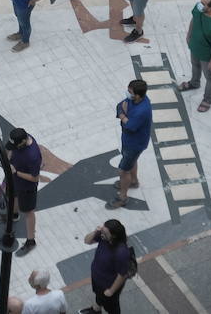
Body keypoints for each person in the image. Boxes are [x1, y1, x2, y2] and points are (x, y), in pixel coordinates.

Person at [178, 0, 211, 112]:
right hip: (194, 46)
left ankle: (207, 99)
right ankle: (194, 83)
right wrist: (189, 35)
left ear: (210, 8)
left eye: (203, 3)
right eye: (201, 1)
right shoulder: (198, 9)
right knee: (195, 65)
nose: (200, 4)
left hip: (207, 54)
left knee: (209, 77)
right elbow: (194, 19)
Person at [108, 78, 151, 207]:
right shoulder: (135, 99)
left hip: (134, 144)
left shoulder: (142, 111)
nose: (127, 94)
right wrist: (125, 116)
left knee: (123, 171)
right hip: (129, 141)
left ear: (137, 95)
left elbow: (130, 126)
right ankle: (133, 181)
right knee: (132, 161)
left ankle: (122, 197)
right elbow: (119, 106)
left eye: (129, 92)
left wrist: (123, 115)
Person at [81, 219, 133, 314]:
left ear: (113, 236)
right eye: (102, 230)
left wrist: (111, 291)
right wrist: (96, 231)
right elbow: (87, 241)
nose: (101, 234)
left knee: (112, 307)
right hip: (98, 278)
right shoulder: (104, 237)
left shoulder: (121, 252)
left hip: (108, 285)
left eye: (104, 232)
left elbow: (122, 274)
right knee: (98, 295)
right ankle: (96, 309)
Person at [5, 129, 42, 253]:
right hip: (14, 178)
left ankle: (31, 241)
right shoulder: (21, 139)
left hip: (27, 186)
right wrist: (10, 155)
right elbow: (11, 149)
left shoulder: (33, 156)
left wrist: (16, 172)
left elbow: (35, 177)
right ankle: (13, 215)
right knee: (13, 196)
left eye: (15, 146)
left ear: (23, 142)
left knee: (29, 212)